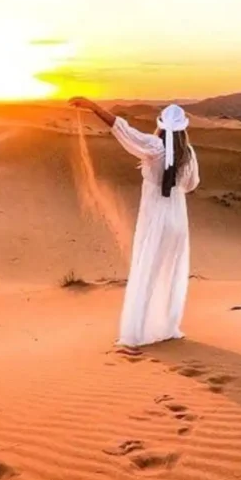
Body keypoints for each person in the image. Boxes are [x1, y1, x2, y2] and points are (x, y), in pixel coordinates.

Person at [69, 97, 200, 347]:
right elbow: (192, 185)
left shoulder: (154, 147)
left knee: (148, 270)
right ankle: (165, 326)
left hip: (155, 216)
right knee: (169, 272)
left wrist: (94, 107)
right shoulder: (188, 153)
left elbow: (123, 130)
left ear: (161, 125)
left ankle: (139, 333)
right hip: (177, 217)